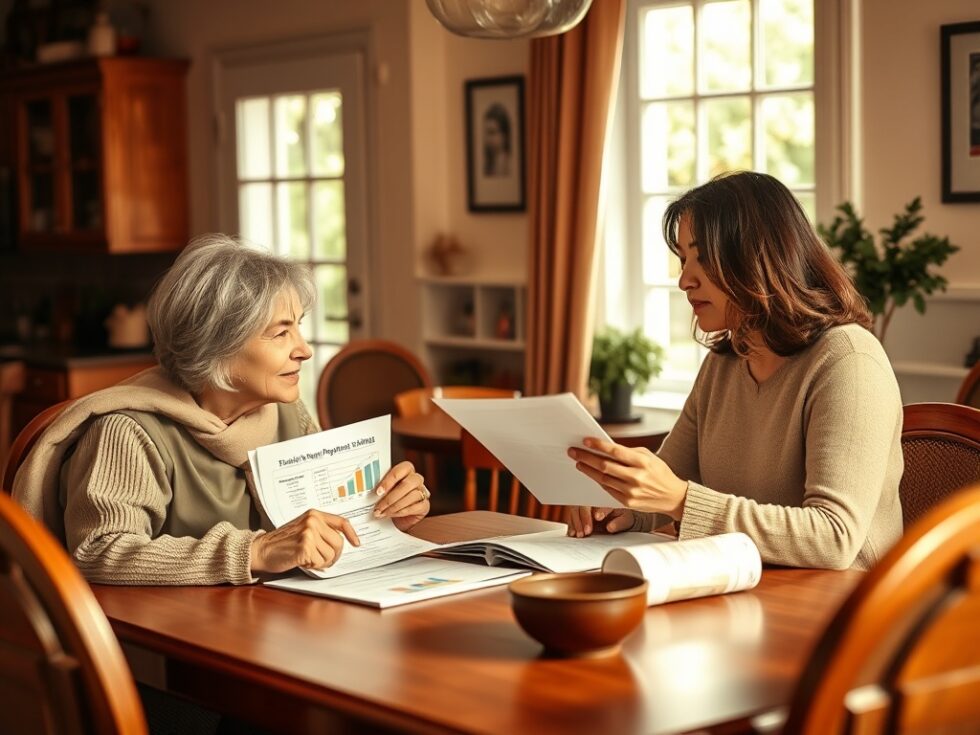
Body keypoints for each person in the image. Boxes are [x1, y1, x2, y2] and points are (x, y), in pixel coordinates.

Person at [13, 235, 431, 585]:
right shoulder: (128, 432)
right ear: (217, 347)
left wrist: (384, 518)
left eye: (299, 326)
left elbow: (317, 526)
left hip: (274, 623)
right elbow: (99, 550)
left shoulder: (288, 413)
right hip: (168, 652)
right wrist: (254, 551)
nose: (303, 350)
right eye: (281, 332)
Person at [565, 171, 904, 571]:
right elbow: (669, 480)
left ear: (757, 258)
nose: (684, 280)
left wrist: (679, 500)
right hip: (745, 589)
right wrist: (621, 509)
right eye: (683, 260)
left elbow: (834, 537)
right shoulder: (724, 364)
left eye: (701, 259)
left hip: (848, 606)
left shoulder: (849, 360)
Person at [483, 103, 512, 177]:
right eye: (486, 133)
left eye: (492, 132)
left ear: (504, 135)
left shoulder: (510, 164)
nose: (488, 139)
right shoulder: (488, 166)